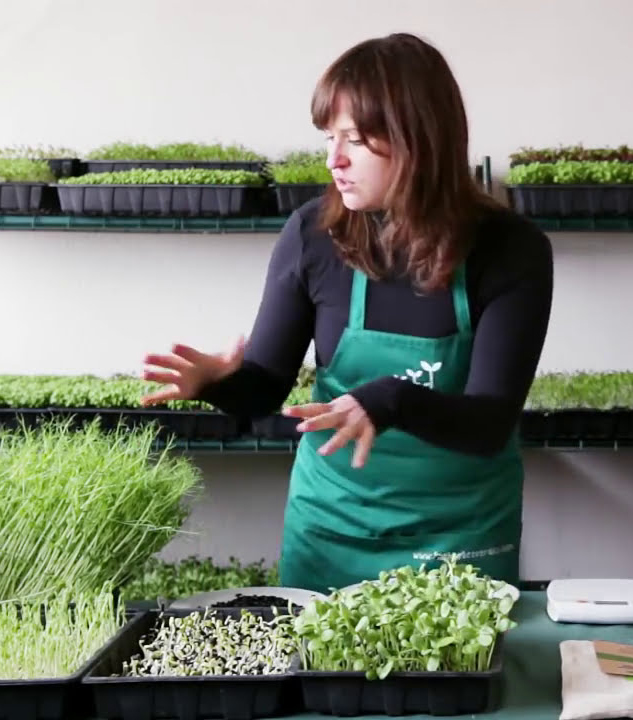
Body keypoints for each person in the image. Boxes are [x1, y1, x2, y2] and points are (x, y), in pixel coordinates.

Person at [139, 33, 554, 595]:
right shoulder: (314, 235)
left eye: (356, 140)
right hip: (333, 529)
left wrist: (388, 399)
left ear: (419, 140)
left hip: (460, 536)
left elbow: (488, 424)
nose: (334, 160)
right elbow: (265, 391)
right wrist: (216, 382)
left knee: (458, 679)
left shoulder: (510, 248)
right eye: (329, 137)